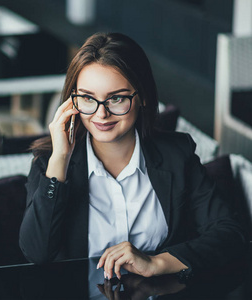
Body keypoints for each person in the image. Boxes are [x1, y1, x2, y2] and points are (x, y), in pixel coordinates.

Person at [18, 32, 246, 281]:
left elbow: (229, 233)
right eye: (87, 98)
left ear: (143, 97)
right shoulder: (50, 164)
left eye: (116, 98)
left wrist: (157, 263)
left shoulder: (177, 154)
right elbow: (36, 253)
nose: (101, 114)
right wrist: (60, 158)